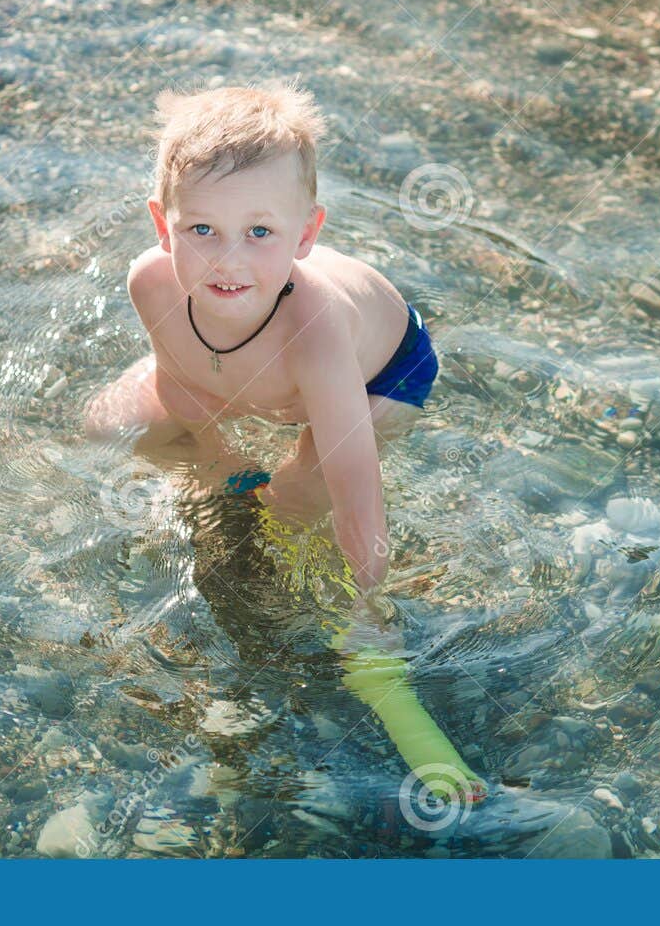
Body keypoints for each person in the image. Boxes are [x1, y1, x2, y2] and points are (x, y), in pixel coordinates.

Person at [84, 79, 440, 591]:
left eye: (259, 232)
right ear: (163, 226)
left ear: (305, 235)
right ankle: (227, 476)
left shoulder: (316, 333)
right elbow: (179, 383)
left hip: (383, 372)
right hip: (245, 369)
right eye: (202, 230)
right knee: (110, 424)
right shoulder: (152, 284)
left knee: (289, 509)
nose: (229, 262)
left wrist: (369, 616)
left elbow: (358, 496)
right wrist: (215, 464)